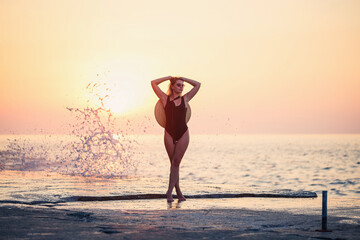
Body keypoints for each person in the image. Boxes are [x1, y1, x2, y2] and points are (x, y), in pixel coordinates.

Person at [151, 76, 201, 202]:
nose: (181, 87)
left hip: (183, 133)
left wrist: (183, 78)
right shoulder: (164, 99)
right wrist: (168, 78)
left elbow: (198, 84)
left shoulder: (185, 99)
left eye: (182, 85)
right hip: (169, 133)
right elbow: (153, 83)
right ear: (172, 86)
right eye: (178, 85)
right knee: (174, 163)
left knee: (176, 162)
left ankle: (169, 192)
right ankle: (178, 192)